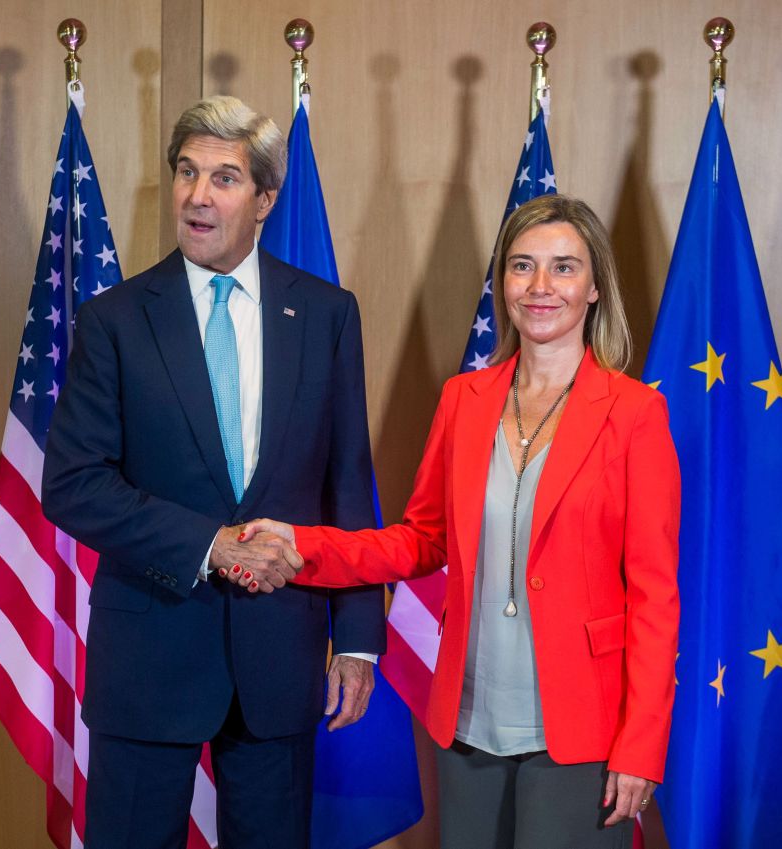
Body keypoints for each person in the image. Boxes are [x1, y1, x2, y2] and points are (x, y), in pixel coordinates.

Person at [238, 194, 681, 848]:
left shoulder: (634, 413)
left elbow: (655, 596)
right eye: (522, 266)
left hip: (584, 728)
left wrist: (642, 747)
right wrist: (304, 544)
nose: (540, 286)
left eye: (563, 268)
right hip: (469, 722)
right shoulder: (464, 401)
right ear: (502, 282)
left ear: (593, 289)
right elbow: (421, 541)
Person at [41, 95, 385, 849]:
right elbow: (72, 482)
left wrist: (358, 637)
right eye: (188, 173)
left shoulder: (327, 314)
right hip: (149, 659)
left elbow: (348, 483)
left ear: (264, 198)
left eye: (225, 177)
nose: (199, 195)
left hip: (280, 660)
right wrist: (211, 545)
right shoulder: (116, 320)